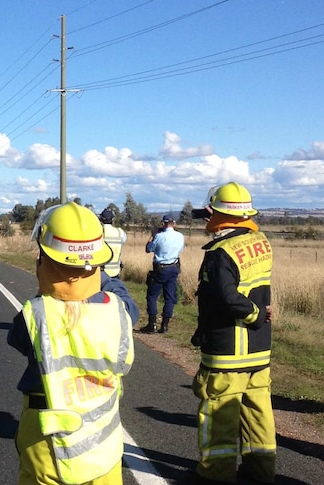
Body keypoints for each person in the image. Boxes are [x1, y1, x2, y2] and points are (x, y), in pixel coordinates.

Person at [7, 202, 138, 485]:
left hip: (47, 442)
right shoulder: (117, 309)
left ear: (45, 258)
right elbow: (130, 307)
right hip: (103, 442)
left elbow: (18, 338)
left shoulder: (36, 313)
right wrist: (97, 275)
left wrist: (52, 284)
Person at [190, 182, 276, 484]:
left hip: (228, 349)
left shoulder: (220, 252)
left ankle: (215, 474)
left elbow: (226, 297)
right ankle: (260, 472)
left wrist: (252, 315)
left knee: (219, 417)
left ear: (216, 213)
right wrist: (259, 317)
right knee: (258, 414)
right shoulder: (261, 241)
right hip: (260, 349)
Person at [141, 214, 185, 333]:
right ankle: (165, 325)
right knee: (169, 297)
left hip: (161, 268)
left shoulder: (159, 236)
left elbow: (148, 249)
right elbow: (180, 250)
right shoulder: (180, 236)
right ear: (174, 224)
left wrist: (152, 235)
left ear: (163, 224)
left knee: (152, 295)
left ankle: (152, 324)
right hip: (174, 267)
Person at [99, 208, 127, 279]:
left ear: (101, 219)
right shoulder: (120, 232)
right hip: (115, 271)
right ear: (113, 220)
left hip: (101, 271)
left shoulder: (99, 231)